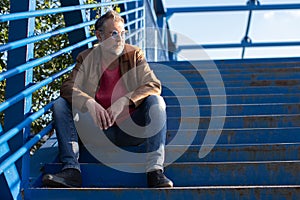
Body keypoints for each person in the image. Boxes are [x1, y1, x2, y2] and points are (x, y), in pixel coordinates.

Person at [42, 10, 173, 188]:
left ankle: (155, 172)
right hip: (99, 130)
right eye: (114, 34)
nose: (120, 39)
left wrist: (124, 101)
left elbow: (153, 84)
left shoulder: (134, 55)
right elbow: (67, 87)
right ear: (99, 36)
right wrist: (89, 103)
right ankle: (72, 170)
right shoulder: (86, 58)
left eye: (123, 33)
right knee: (61, 104)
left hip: (131, 129)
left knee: (156, 102)